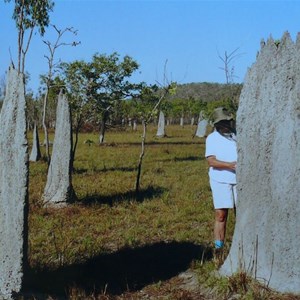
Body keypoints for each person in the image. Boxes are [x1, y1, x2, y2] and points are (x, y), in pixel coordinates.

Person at [205, 107, 237, 250]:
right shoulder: (212, 138)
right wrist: (229, 165)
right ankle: (219, 247)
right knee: (221, 214)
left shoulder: (237, 136)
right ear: (216, 124)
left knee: (241, 214)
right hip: (220, 180)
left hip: (238, 180)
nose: (225, 124)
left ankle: (239, 244)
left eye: (227, 121)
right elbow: (211, 161)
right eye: (222, 122)